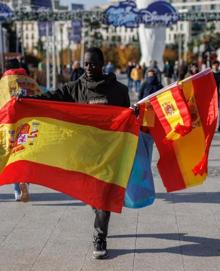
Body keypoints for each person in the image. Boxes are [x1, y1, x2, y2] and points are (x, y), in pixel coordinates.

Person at [25, 47, 130, 259]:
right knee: (93, 196)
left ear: (102, 64)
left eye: (92, 63)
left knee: (102, 196)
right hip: (84, 152)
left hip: (108, 152)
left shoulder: (118, 91)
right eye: (86, 63)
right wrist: (28, 100)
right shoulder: (76, 88)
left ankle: (100, 237)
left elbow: (127, 119)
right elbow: (53, 97)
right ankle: (98, 210)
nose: (88, 67)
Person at [1, 58, 30, 202]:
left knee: (12, 154)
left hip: (8, 124)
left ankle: (17, 190)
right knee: (24, 153)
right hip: (27, 123)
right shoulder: (27, 80)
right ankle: (25, 181)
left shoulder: (4, 82)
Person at [212, 60, 220, 132]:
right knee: (212, 112)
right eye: (214, 65)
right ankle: (212, 126)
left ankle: (218, 127)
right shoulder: (210, 74)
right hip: (212, 96)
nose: (215, 66)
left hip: (218, 95)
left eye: (217, 65)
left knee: (218, 111)